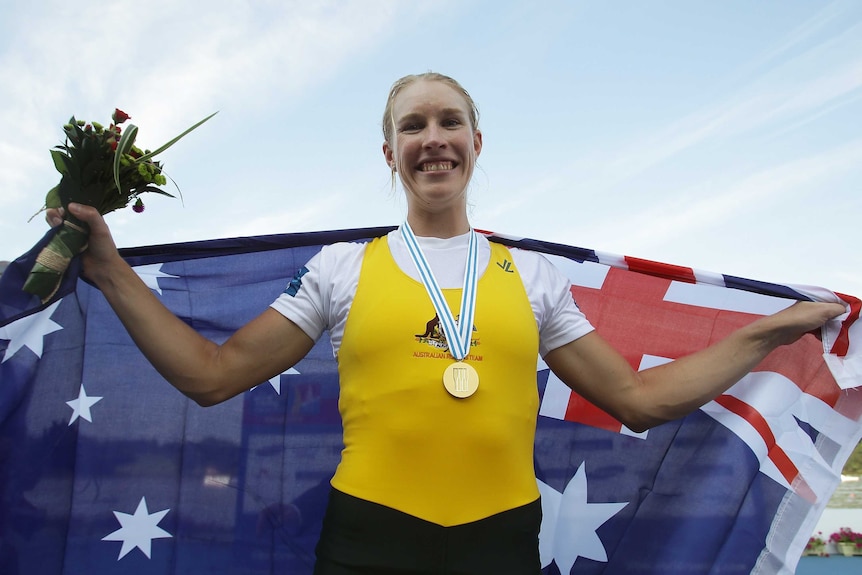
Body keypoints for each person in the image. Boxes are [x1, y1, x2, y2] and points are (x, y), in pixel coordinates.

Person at [49, 72, 845, 574]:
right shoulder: (338, 268)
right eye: (412, 126)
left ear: (475, 142)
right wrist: (112, 269)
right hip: (370, 540)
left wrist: (767, 334)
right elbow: (210, 375)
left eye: (449, 121)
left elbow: (637, 398)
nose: (433, 137)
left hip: (499, 541)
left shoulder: (532, 275)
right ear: (389, 154)